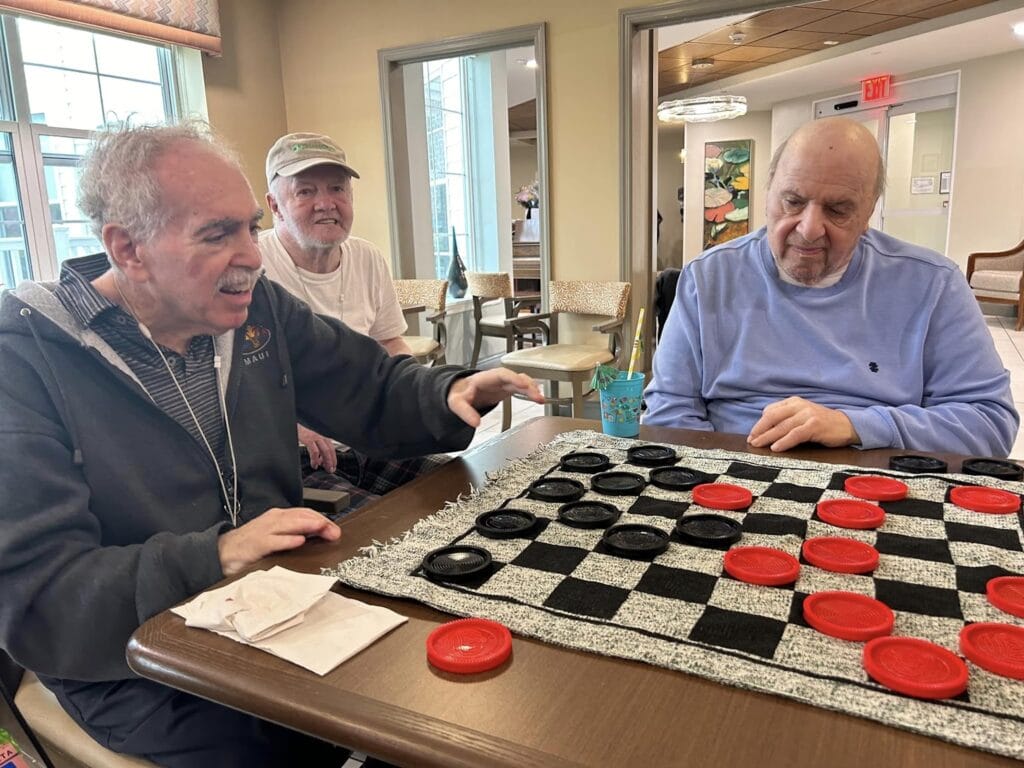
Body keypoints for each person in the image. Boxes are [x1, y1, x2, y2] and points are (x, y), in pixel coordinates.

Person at [0, 122, 542, 768]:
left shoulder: (257, 309)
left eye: (249, 227)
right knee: (295, 744)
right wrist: (216, 555)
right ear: (129, 248)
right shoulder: (23, 362)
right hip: (131, 660)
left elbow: (365, 383)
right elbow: (41, 601)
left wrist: (446, 392)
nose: (253, 255)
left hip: (274, 604)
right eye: (217, 234)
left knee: (422, 678)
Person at [644, 117, 1018, 456]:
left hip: (879, 482)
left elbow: (989, 424)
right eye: (792, 201)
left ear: (869, 211)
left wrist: (857, 425)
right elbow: (669, 410)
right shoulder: (708, 277)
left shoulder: (933, 283)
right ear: (768, 194)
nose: (809, 229)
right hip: (733, 474)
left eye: (838, 209)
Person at [259, 132, 443, 506]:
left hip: (366, 436)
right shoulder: (252, 266)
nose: (326, 204)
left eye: (337, 189)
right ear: (275, 205)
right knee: (376, 525)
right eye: (305, 191)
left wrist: (415, 399)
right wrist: (293, 425)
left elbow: (390, 342)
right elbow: (232, 386)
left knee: (456, 485)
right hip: (293, 454)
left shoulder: (367, 257)